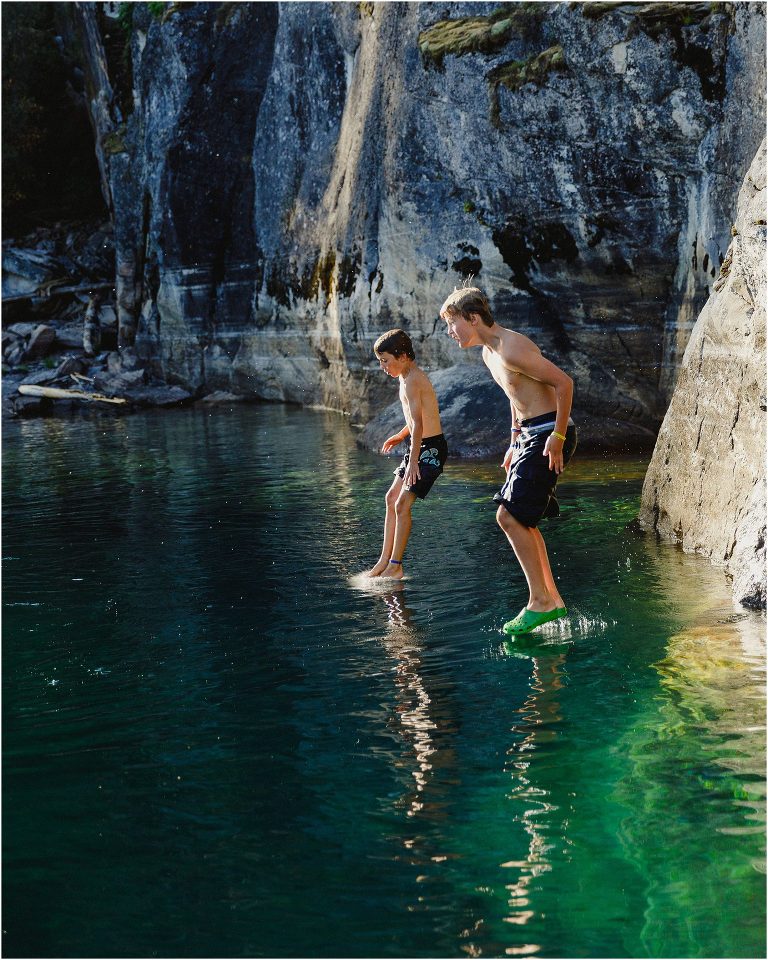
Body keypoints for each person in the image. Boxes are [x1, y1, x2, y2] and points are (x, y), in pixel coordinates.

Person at [440, 286, 577, 633]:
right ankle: (553, 600)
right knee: (524, 521)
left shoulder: (511, 347)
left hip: (550, 433)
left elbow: (564, 384)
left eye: (452, 323)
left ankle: (540, 602)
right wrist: (514, 441)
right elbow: (513, 396)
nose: (449, 332)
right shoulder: (489, 353)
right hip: (532, 434)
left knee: (508, 516)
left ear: (473, 318)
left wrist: (558, 438)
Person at [366, 328, 448, 580]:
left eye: (385, 360)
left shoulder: (414, 379)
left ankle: (396, 565)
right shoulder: (405, 376)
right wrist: (401, 435)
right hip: (418, 445)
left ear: (402, 356)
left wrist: (413, 461)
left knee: (402, 504)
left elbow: (421, 425)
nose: (383, 367)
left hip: (430, 449)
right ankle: (383, 560)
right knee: (391, 497)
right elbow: (414, 420)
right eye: (380, 362)